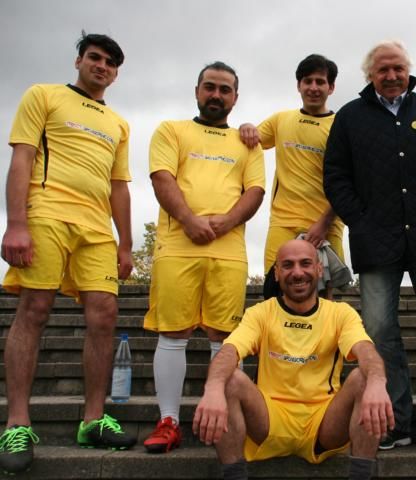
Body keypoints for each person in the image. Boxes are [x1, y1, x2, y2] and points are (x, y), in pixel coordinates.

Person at [324, 40, 416, 450]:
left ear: (409, 71)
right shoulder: (350, 117)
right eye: (383, 70)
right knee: (378, 331)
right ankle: (392, 418)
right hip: (375, 240)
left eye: (398, 68)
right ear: (369, 75)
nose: (391, 76)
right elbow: (335, 175)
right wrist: (359, 218)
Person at [0, 32, 135, 474]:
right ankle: (17, 424)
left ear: (116, 74)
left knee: (105, 314)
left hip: (96, 228)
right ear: (78, 61)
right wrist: (15, 223)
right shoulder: (43, 95)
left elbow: (119, 186)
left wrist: (126, 243)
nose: (101, 66)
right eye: (94, 57)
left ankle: (93, 421)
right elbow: (22, 158)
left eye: (110, 63)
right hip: (46, 213)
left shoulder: (119, 123)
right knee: (35, 308)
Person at [142, 61, 265, 454]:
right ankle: (168, 421)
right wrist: (189, 220)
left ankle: (226, 418)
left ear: (235, 97)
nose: (216, 95)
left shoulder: (248, 143)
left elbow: (255, 191)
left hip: (229, 253)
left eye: (225, 89)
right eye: (209, 87)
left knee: (225, 337)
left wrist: (226, 222)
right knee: (173, 334)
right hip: (177, 247)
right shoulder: (171, 130)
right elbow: (162, 178)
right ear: (197, 91)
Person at [192, 239, 393, 480]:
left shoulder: (340, 313)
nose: (297, 273)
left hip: (323, 424)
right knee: (228, 379)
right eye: (288, 265)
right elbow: (230, 351)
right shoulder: (260, 313)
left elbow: (365, 350)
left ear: (319, 269)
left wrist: (377, 382)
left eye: (305, 263)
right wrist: (213, 388)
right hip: (268, 420)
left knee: (365, 378)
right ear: (277, 273)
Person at [239, 54, 345, 298]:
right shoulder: (281, 120)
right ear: (299, 85)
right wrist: (245, 126)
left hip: (327, 225)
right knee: (275, 291)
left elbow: (349, 181)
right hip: (283, 222)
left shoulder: (342, 126)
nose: (313, 87)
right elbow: (249, 141)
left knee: (323, 298)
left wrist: (324, 223)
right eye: (308, 81)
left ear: (331, 87)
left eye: (320, 82)